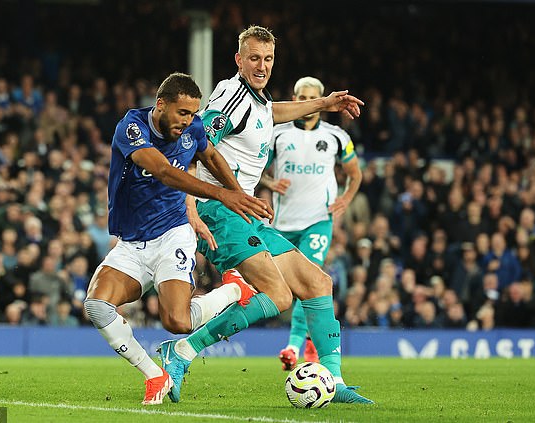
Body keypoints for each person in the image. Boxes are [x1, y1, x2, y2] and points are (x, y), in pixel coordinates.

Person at [159, 26, 373, 404]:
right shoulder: (230, 96)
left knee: (317, 283)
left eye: (268, 59)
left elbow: (273, 112)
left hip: (244, 214)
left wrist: (324, 103)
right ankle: (182, 352)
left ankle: (334, 382)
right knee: (278, 294)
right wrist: (191, 206)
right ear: (239, 60)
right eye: (254, 58)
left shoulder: (256, 100)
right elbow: (195, 143)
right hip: (220, 211)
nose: (262, 66)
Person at [83, 72, 270, 406]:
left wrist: (238, 193)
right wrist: (222, 195)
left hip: (173, 235)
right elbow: (165, 172)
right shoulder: (133, 128)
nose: (188, 121)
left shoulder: (194, 128)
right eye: (182, 113)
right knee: (96, 305)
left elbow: (211, 156)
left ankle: (233, 290)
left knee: (177, 322)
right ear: (161, 105)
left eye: (193, 114)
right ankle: (155, 375)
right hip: (132, 244)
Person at [259, 76, 362, 370]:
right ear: (294, 99)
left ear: (321, 101)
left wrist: (346, 198)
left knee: (310, 280)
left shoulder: (336, 136)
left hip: (318, 221)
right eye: (300, 97)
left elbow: (355, 174)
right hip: (282, 223)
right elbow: (258, 171)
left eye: (311, 98)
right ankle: (309, 344)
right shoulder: (276, 134)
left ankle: (294, 347)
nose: (305, 103)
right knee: (280, 287)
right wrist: (270, 182)